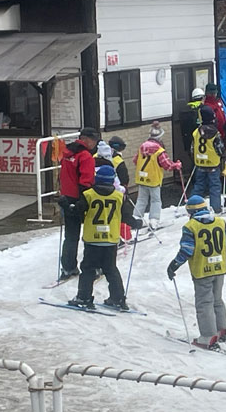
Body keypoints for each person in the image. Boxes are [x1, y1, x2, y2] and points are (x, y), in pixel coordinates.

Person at [166, 195, 226, 351]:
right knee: (217, 300)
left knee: (204, 303)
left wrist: (174, 265)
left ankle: (208, 337)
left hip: (202, 270)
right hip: (219, 269)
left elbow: (187, 250)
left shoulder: (191, 226)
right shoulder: (220, 222)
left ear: (191, 212)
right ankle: (221, 331)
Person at [67, 165, 142, 310]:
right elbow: (126, 216)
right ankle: (118, 298)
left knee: (88, 269)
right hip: (110, 240)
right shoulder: (119, 196)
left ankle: (84, 297)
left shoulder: (88, 194)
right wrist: (136, 223)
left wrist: (66, 205)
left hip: (93, 239)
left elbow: (77, 211)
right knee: (111, 269)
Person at [58, 127, 99, 280]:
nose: (94, 143)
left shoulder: (67, 154)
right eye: (93, 140)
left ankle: (68, 267)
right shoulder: (85, 156)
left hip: (66, 198)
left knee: (70, 236)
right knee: (91, 235)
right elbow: (86, 181)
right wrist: (86, 200)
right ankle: (92, 267)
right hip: (82, 198)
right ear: (85, 139)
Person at [133, 122, 182, 229]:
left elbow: (135, 160)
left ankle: (136, 218)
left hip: (141, 178)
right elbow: (167, 165)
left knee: (141, 199)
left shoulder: (141, 147)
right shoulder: (159, 151)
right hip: (153, 179)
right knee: (155, 200)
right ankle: (154, 220)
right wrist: (177, 165)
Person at [191, 105, 226, 214]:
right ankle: (215, 207)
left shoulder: (196, 132)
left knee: (199, 185)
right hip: (212, 164)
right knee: (214, 186)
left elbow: (192, 148)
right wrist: (224, 155)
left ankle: (193, 205)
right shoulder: (215, 133)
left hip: (200, 163)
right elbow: (219, 148)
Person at [180, 87, 205, 159]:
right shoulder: (202, 108)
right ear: (202, 98)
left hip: (188, 140)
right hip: (201, 140)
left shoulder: (186, 109)